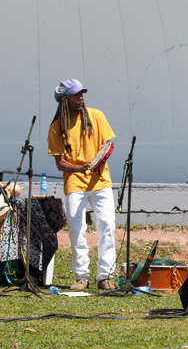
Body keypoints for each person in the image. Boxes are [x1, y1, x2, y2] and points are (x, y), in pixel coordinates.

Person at [48, 79, 117, 291]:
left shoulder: (96, 115)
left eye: (82, 94)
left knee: (107, 226)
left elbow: (108, 144)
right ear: (64, 100)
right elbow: (60, 163)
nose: (80, 98)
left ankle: (105, 276)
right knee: (77, 229)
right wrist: (80, 169)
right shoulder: (56, 127)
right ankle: (81, 277)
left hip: (101, 180)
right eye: (75, 94)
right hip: (75, 182)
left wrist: (99, 160)